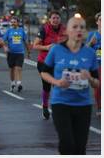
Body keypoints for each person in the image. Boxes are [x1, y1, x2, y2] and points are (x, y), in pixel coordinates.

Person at [40, 15, 99, 155]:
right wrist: (57, 82)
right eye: (75, 27)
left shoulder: (90, 53)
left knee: (80, 148)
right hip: (61, 103)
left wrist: (90, 78)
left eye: (82, 27)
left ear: (85, 32)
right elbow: (44, 73)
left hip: (83, 105)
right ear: (67, 31)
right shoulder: (56, 50)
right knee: (67, 143)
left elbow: (97, 83)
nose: (79, 30)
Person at [33, 10, 67, 120]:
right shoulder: (44, 29)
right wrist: (47, 47)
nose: (56, 20)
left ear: (60, 19)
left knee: (58, 86)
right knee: (47, 86)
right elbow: (35, 46)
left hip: (59, 63)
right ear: (49, 19)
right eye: (53, 18)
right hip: (44, 62)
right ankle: (45, 107)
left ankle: (58, 109)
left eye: (57, 18)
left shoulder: (64, 30)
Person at [3, 16, 30, 92]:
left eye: (14, 22)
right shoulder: (8, 31)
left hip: (20, 53)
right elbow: (3, 41)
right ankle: (12, 83)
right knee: (11, 69)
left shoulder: (21, 31)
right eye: (12, 22)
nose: (13, 23)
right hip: (11, 53)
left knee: (19, 68)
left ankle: (19, 84)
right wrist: (5, 47)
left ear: (18, 23)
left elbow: (26, 42)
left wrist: (28, 51)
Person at [86, 12, 101, 116]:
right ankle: (100, 107)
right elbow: (85, 50)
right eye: (100, 19)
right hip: (97, 64)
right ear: (97, 22)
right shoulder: (92, 35)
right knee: (99, 87)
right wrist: (91, 43)